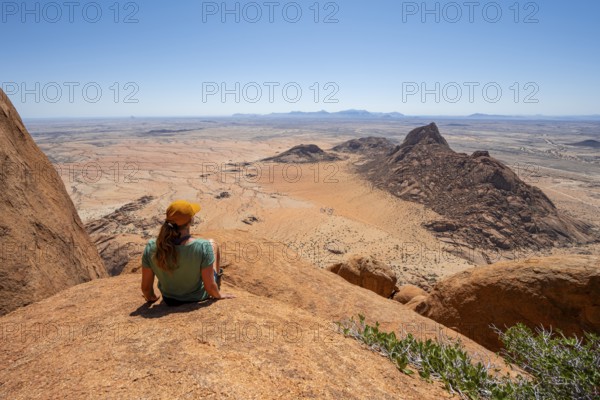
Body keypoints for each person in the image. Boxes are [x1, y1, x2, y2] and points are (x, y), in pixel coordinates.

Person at [141, 200, 235, 305]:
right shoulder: (203, 246)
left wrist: (151, 298)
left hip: (169, 299)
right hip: (197, 296)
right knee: (212, 243)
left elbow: (145, 288)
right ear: (190, 221)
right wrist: (218, 295)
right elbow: (210, 288)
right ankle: (217, 279)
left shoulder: (151, 246)